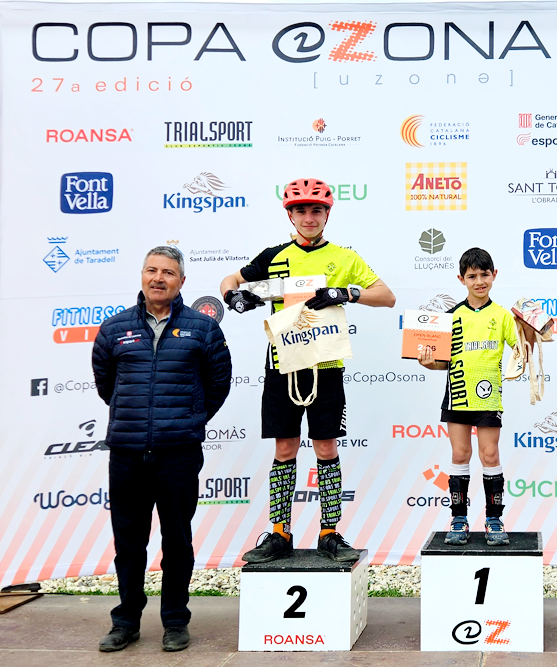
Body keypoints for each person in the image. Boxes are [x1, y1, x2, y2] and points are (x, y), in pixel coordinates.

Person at [220, 178, 395, 564]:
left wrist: (346, 293)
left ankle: (330, 533)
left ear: (327, 214)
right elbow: (230, 280)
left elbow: (387, 296)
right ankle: (280, 533)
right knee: (284, 448)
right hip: (282, 364)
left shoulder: (344, 257)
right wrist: (234, 296)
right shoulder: (274, 255)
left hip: (325, 365)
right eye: (301, 210)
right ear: (290, 215)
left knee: (326, 447)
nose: (309, 217)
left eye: (316, 210)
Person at [92, 246, 232, 652]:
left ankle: (175, 621)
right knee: (128, 543)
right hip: (127, 453)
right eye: (151, 270)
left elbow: (218, 383)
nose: (158, 278)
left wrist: (188, 418)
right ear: (142, 275)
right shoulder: (115, 328)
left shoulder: (202, 328)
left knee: (177, 541)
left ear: (181, 281)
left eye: (168, 272)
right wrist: (137, 417)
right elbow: (107, 384)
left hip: (179, 454)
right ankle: (125, 621)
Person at [418, 247, 530, 546]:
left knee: (490, 455)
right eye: (472, 276)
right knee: (459, 455)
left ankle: (494, 519)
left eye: (484, 275)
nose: (479, 281)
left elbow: (522, 349)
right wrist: (429, 363)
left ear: (494, 275)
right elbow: (441, 362)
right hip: (457, 397)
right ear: (461, 279)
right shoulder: (451, 316)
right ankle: (459, 519)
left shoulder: (503, 316)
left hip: (489, 399)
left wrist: (533, 329)